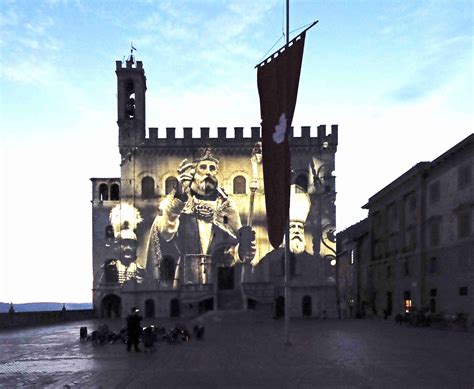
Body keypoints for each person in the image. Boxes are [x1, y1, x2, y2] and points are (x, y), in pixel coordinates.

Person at [148, 148, 256, 286]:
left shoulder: (226, 206)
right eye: (203, 167)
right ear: (194, 172)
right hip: (186, 277)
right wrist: (180, 198)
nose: (208, 172)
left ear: (216, 172)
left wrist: (242, 250)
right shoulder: (177, 203)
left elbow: (234, 247)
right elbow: (165, 232)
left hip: (220, 278)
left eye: (212, 168)